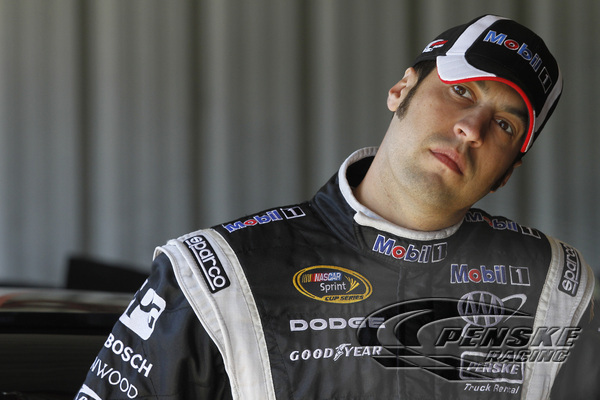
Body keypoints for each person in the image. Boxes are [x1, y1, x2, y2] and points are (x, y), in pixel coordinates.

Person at [76, 14, 594, 400]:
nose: (471, 128)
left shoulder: (557, 287)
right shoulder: (212, 273)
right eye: (460, 90)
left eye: (504, 124)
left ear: (508, 172)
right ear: (401, 90)